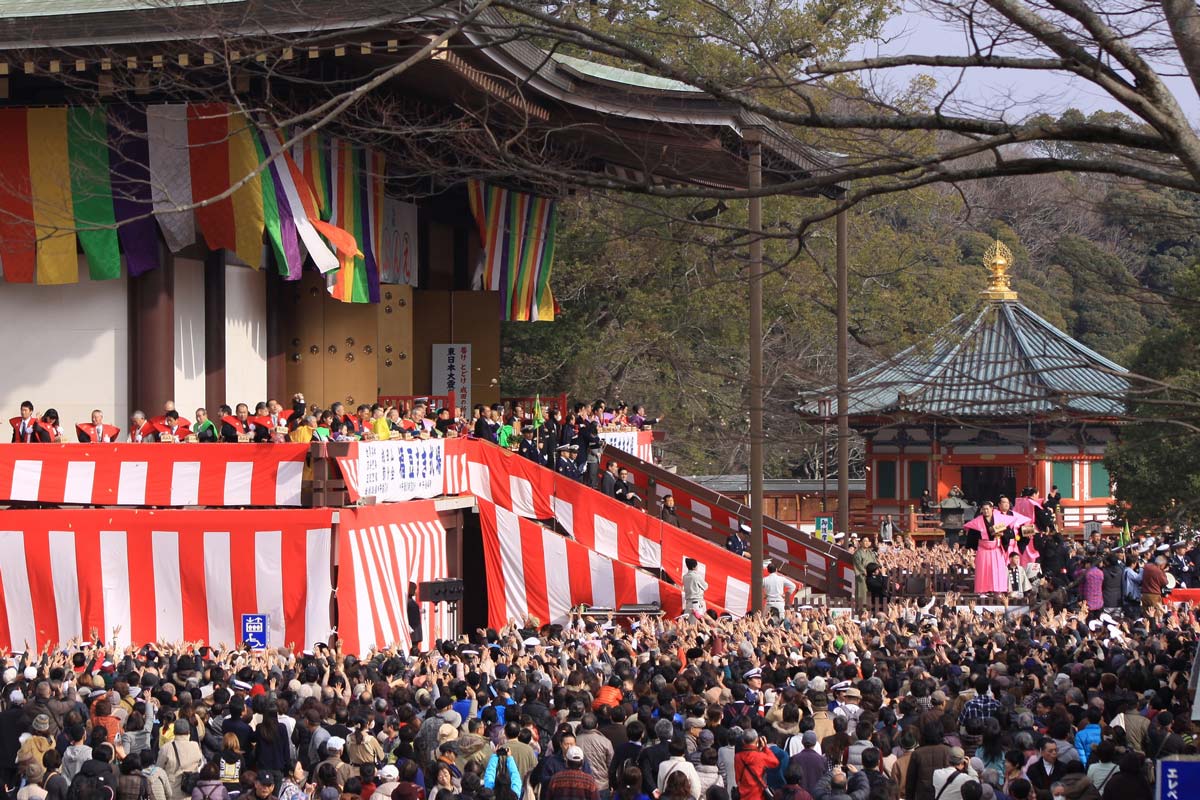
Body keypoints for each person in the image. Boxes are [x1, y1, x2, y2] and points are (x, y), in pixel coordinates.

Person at [158, 720, 204, 800]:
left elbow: (158, 769)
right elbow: (200, 763)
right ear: (188, 732)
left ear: (174, 731)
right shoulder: (195, 746)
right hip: (190, 790)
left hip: (172, 792)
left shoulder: (166, 748)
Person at [733, 732, 777, 800]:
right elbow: (775, 762)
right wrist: (765, 747)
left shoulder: (737, 757)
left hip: (742, 795)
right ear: (757, 740)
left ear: (743, 741)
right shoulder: (760, 756)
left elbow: (737, 779)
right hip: (757, 796)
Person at [853, 537, 878, 609]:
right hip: (862, 576)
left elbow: (874, 562)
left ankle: (870, 607)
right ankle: (861, 608)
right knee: (862, 591)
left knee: (871, 591)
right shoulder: (857, 553)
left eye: (868, 541)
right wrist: (864, 571)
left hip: (870, 574)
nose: (866, 542)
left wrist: (875, 569)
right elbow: (857, 564)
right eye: (865, 541)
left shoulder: (870, 552)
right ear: (860, 543)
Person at [407, 582, 423, 655]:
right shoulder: (409, 602)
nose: (416, 591)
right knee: (414, 649)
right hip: (413, 628)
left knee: (415, 647)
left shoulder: (410, 601)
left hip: (415, 628)